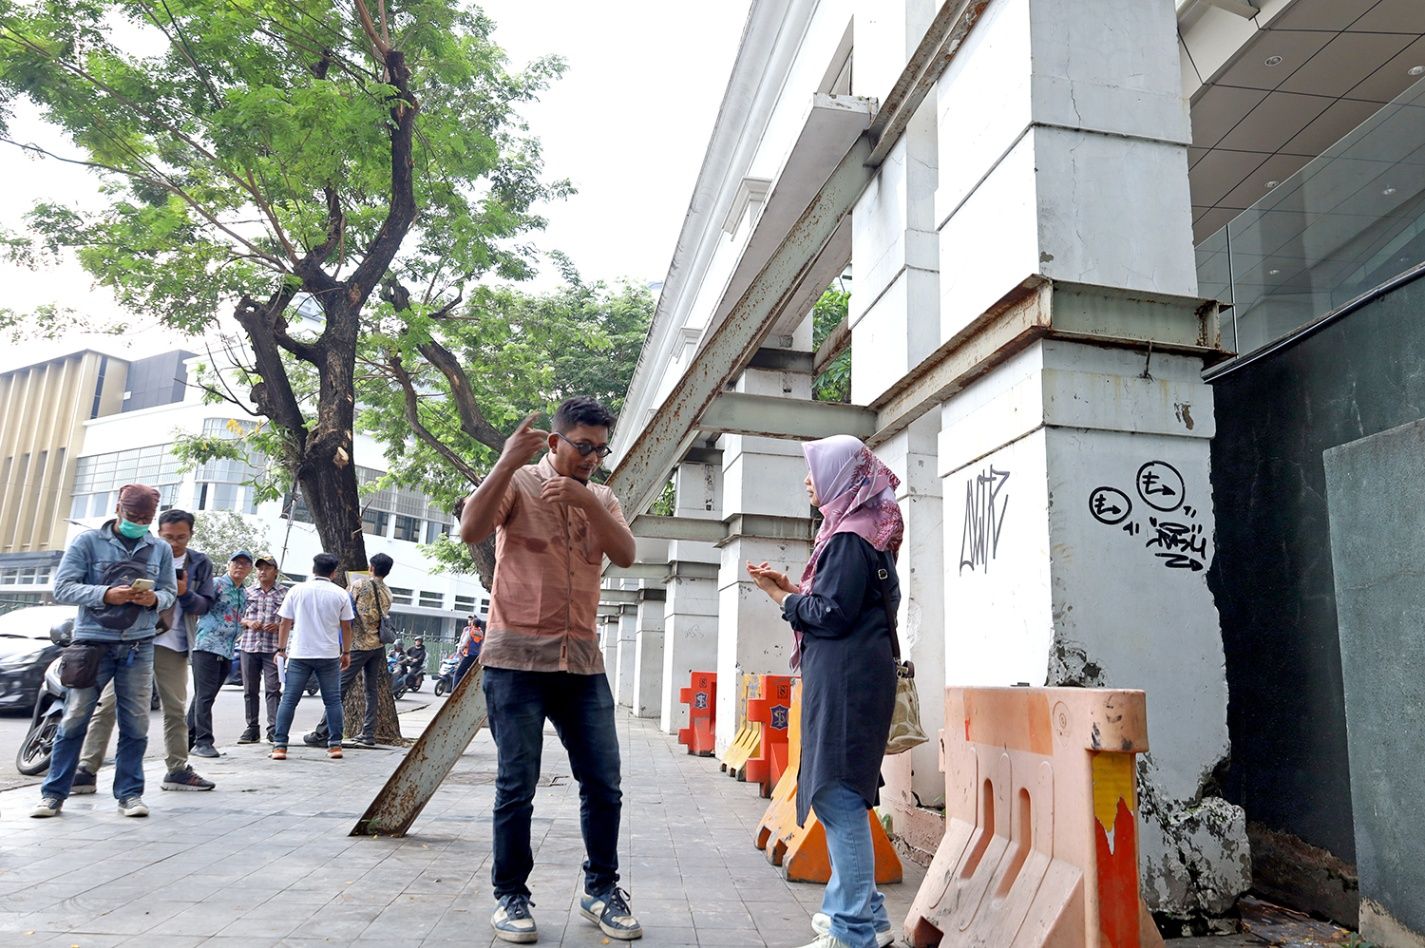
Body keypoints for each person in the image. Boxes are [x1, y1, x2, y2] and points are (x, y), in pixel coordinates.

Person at [459, 397, 641, 944]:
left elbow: (627, 554)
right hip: (516, 663)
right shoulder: (517, 485)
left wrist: (588, 502)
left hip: (582, 664)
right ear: (556, 441)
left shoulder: (601, 495)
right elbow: (470, 529)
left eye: (600, 450)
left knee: (604, 784)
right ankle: (510, 895)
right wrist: (505, 463)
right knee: (517, 784)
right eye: (583, 446)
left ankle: (601, 889)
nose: (591, 457)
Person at [746, 435, 903, 948]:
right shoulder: (864, 535)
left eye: (815, 471)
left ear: (840, 476)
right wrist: (794, 591)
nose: (808, 481)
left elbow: (831, 616)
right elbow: (843, 605)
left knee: (838, 796)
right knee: (846, 794)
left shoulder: (847, 540)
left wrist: (784, 600)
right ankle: (863, 914)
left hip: (845, 680)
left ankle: (853, 928)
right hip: (855, 675)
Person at [33, 484, 177, 818]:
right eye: (133, 516)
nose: (138, 522)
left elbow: (170, 592)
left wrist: (154, 599)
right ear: (117, 509)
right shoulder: (87, 542)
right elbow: (64, 587)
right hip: (91, 644)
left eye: (145, 517)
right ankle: (53, 794)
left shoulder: (159, 550)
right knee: (74, 718)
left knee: (136, 723)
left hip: (138, 645)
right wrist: (105, 594)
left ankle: (129, 794)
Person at [74, 507, 217, 794]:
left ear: (190, 535)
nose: (175, 543)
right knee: (108, 706)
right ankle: (87, 769)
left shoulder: (200, 563)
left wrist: (183, 593)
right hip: (134, 640)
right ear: (157, 532)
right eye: (168, 537)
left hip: (173, 645)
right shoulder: (145, 553)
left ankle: (177, 769)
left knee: (175, 710)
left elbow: (205, 605)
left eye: (182, 537)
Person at [302, 551, 392, 749]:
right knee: (371, 690)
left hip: (358, 645)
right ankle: (368, 733)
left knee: (338, 689)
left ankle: (323, 732)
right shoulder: (388, 591)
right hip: (377, 646)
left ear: (372, 568)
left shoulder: (360, 584)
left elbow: (344, 603)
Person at [270, 552, 353, 761]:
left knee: (289, 699)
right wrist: (347, 652)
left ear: (313, 569)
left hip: (300, 653)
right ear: (334, 573)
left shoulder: (297, 591)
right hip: (328, 654)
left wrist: (281, 650)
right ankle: (335, 746)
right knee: (333, 701)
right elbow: (346, 626)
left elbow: (285, 622)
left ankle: (280, 746)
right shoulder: (340, 594)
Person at [187, 551, 252, 757]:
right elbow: (198, 605)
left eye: (244, 564)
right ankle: (204, 741)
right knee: (204, 697)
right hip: (207, 646)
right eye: (236, 563)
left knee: (204, 697)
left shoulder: (243, 593)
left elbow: (235, 618)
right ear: (228, 565)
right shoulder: (216, 584)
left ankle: (187, 740)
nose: (239, 567)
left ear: (249, 569)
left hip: (227, 649)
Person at [238, 553, 286, 744]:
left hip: (273, 648)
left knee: (273, 689)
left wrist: (280, 625)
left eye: (267, 568)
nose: (262, 571)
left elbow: (293, 620)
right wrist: (249, 622)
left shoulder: (285, 593)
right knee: (250, 690)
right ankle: (252, 728)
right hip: (249, 646)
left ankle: (274, 729)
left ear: (275, 571)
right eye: (260, 568)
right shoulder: (247, 592)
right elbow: (235, 617)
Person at [453, 615, 484, 688]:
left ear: (473, 623)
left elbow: (464, 642)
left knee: (458, 674)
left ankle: (454, 690)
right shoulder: (481, 633)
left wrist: (460, 650)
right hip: (476, 656)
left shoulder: (470, 631)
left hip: (468, 654)